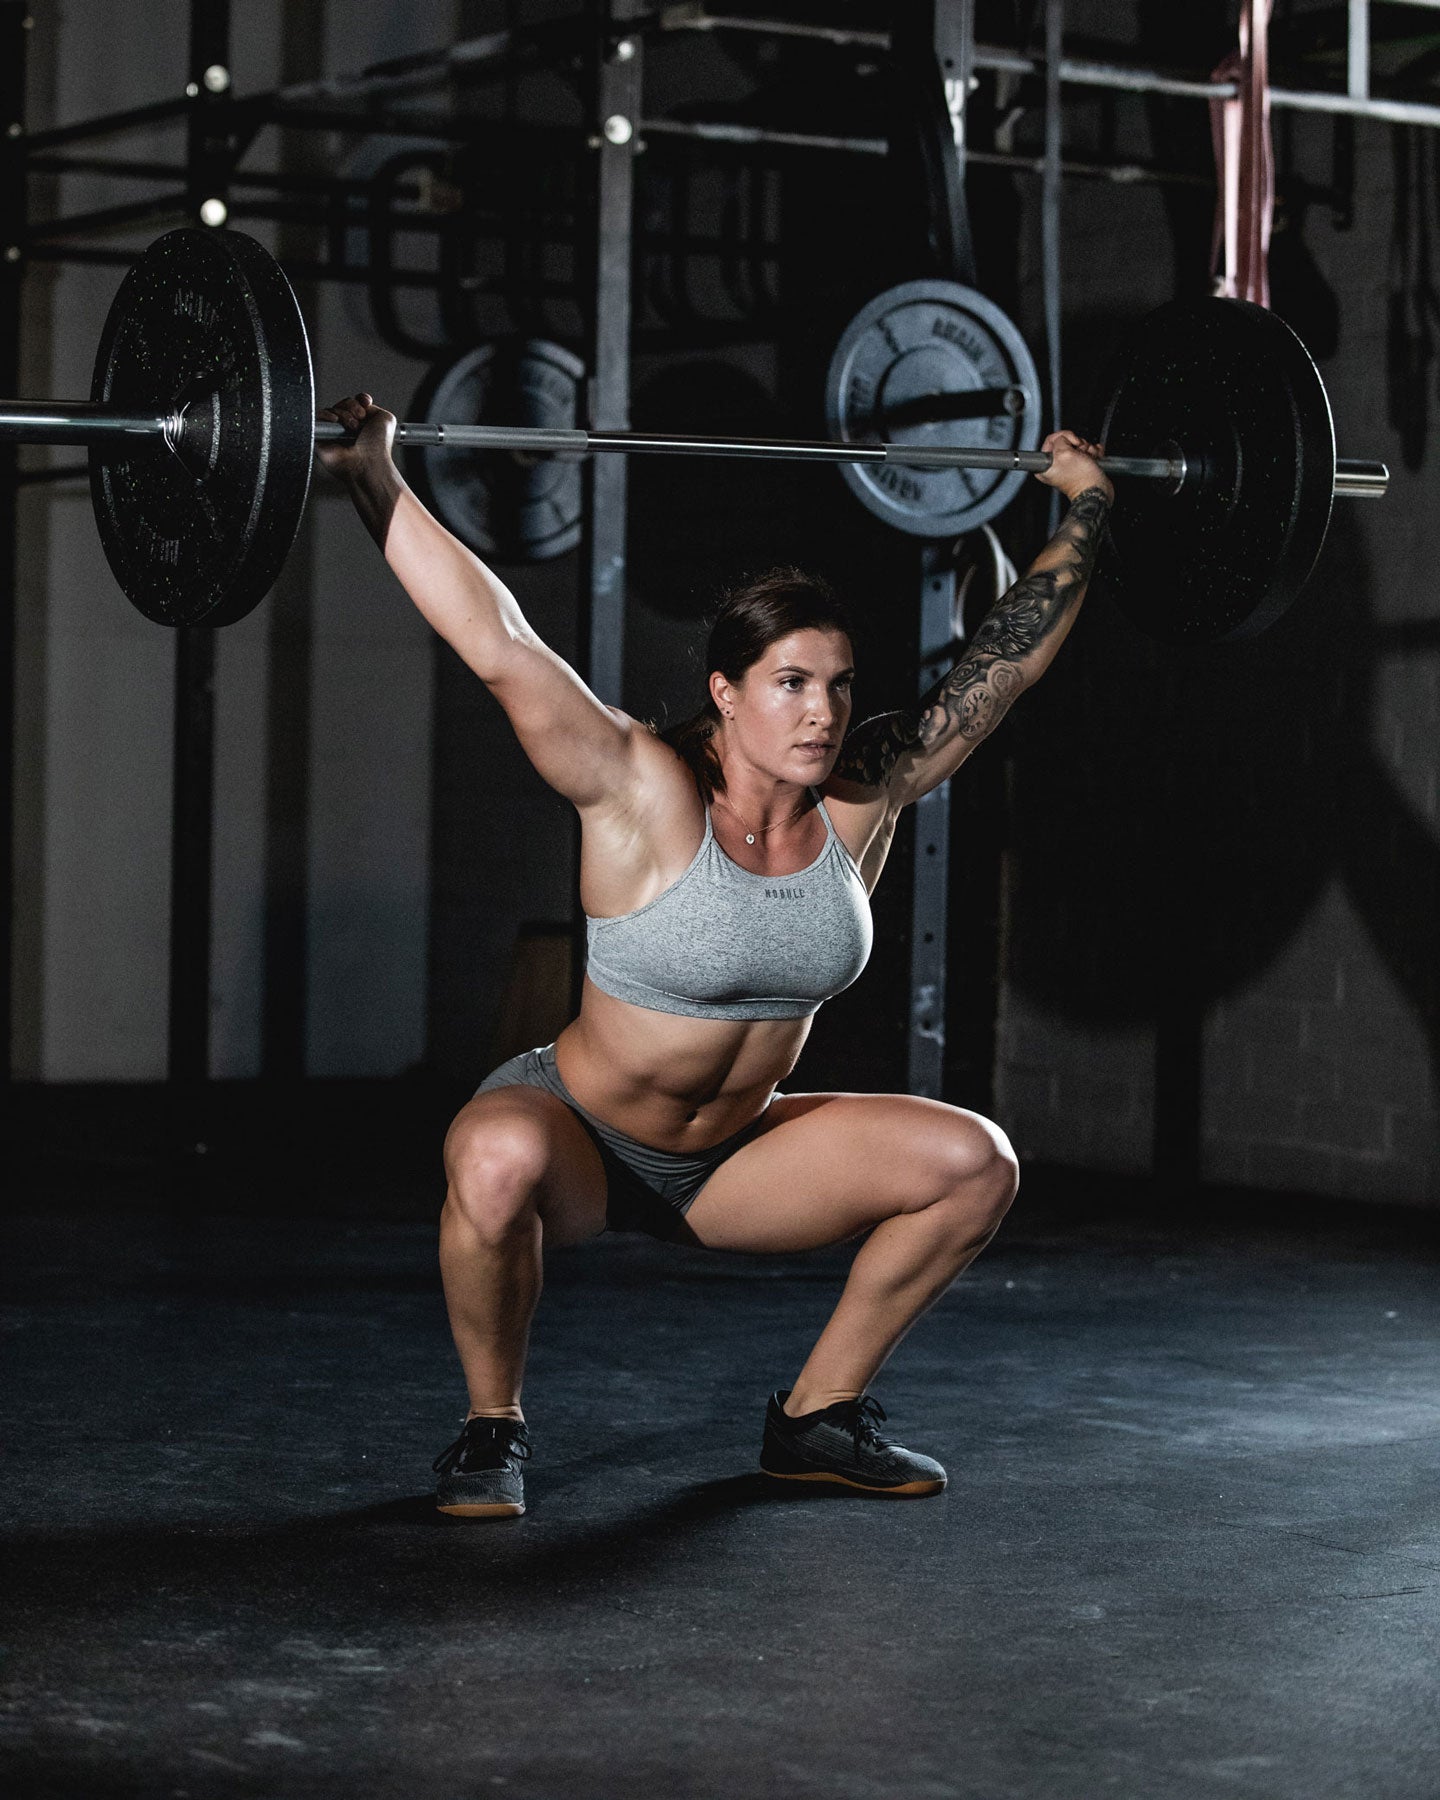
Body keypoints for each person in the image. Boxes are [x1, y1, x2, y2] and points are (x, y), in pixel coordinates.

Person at [319, 397, 1113, 1518]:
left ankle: (816, 1419)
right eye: (791, 683)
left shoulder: (863, 797)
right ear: (726, 693)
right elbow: (499, 645)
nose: (823, 712)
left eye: (838, 684)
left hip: (730, 1165)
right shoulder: (641, 789)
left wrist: (1087, 506)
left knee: (976, 1162)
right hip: (582, 1141)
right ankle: (492, 1427)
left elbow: (1004, 667)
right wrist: (375, 478)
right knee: (492, 1158)